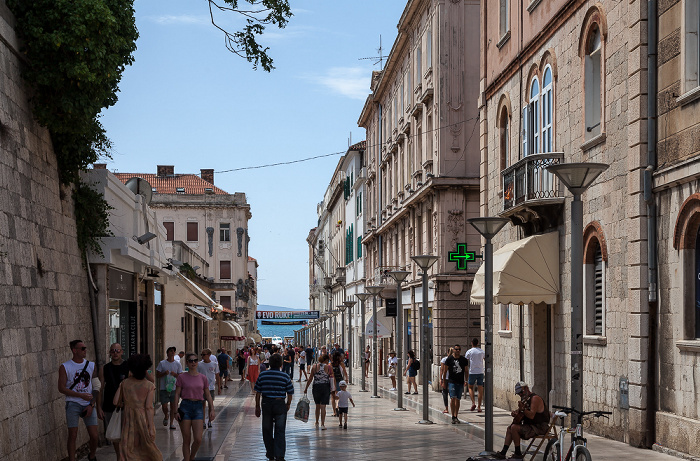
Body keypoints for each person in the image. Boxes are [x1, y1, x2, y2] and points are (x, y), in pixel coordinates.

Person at [115, 353, 162, 460]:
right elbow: (149, 407)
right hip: (143, 420)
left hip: (128, 421)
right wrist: (150, 427)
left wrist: (121, 384)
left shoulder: (125, 383)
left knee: (129, 449)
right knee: (147, 448)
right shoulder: (149, 386)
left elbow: (115, 401)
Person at [58, 339, 99, 461]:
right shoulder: (65, 367)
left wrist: (91, 404)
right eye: (82, 348)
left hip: (88, 404)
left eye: (85, 348)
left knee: (94, 435)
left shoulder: (91, 366)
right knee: (73, 434)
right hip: (73, 403)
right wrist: (80, 395)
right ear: (74, 350)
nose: (85, 350)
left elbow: (96, 387)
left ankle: (92, 455)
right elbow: (61, 388)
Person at [175, 353, 216, 461]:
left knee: (198, 439)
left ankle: (191, 457)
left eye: (195, 360)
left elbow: (207, 394)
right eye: (191, 360)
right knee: (186, 439)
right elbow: (177, 394)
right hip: (185, 407)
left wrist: (212, 409)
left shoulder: (203, 378)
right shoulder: (182, 377)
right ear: (187, 363)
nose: (193, 362)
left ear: (197, 362)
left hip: (198, 407)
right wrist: (175, 411)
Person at [494, 382, 550, 460]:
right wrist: (516, 413)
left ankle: (518, 453)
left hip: (539, 427)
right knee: (509, 428)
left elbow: (531, 415)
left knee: (514, 428)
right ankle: (503, 452)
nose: (520, 395)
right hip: (530, 425)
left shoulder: (535, 398)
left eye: (521, 392)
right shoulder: (525, 399)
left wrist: (523, 409)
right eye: (519, 394)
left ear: (526, 388)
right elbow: (521, 413)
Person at [255, 353, 294, 461]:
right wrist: (288, 404)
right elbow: (290, 393)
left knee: (267, 429)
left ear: (270, 363)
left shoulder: (263, 375)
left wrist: (257, 406)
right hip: (280, 403)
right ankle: (280, 455)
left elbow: (258, 392)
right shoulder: (285, 376)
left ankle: (270, 453)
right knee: (280, 430)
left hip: (266, 403)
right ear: (281, 364)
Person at [98, 343, 129, 459]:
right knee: (116, 436)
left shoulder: (128, 366)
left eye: (117, 350)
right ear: (110, 353)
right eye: (112, 351)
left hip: (126, 406)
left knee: (126, 435)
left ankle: (124, 456)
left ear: (121, 352)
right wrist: (99, 407)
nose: (115, 353)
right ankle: (119, 457)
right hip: (110, 406)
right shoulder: (105, 368)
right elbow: (100, 389)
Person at [304, 353, 335, 430]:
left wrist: (306, 388)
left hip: (316, 387)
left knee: (317, 405)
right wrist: (333, 388)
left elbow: (310, 378)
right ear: (326, 360)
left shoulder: (314, 367)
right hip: (325, 387)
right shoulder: (328, 367)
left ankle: (317, 421)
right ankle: (323, 424)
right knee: (323, 406)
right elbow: (332, 377)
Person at [155, 346, 182, 429]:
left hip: (174, 388)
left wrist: (175, 375)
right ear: (167, 353)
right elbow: (157, 375)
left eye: (173, 351)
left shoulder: (177, 364)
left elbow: (180, 377)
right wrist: (164, 373)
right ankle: (166, 415)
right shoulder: (162, 363)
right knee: (164, 406)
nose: (172, 352)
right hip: (164, 388)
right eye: (170, 351)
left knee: (174, 406)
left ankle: (171, 423)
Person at [443, 344, 469, 424]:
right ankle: (453, 416)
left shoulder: (464, 360)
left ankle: (456, 415)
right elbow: (445, 371)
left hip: (460, 381)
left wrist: (466, 380)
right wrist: (444, 381)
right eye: (456, 349)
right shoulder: (449, 359)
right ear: (453, 350)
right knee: (452, 398)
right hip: (451, 381)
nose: (458, 351)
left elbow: (466, 371)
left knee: (458, 399)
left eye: (459, 349)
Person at [200, 348, 219, 429]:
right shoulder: (199, 364)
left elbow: (217, 375)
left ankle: (210, 421)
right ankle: (203, 421)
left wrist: (219, 386)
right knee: (202, 405)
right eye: (202, 355)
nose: (202, 356)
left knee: (210, 405)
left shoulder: (214, 364)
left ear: (209, 355)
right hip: (201, 388)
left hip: (211, 387)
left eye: (204, 354)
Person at [465, 338, 485, 412]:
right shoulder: (481, 351)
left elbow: (466, 360)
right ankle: (479, 407)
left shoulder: (469, 351)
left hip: (472, 372)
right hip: (480, 371)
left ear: (471, 343)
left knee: (470, 387)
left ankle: (473, 402)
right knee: (480, 389)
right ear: (478, 343)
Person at [330, 351, 347, 417]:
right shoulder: (341, 364)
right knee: (339, 395)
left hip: (332, 381)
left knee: (332, 396)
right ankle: (337, 406)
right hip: (339, 380)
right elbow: (345, 372)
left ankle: (334, 412)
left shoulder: (330, 364)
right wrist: (346, 379)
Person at [439, 348, 454, 414]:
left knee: (445, 393)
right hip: (452, 378)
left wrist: (440, 379)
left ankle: (447, 408)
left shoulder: (444, 359)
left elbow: (442, 370)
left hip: (445, 378)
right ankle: (453, 408)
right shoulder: (454, 359)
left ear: (447, 352)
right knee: (452, 394)